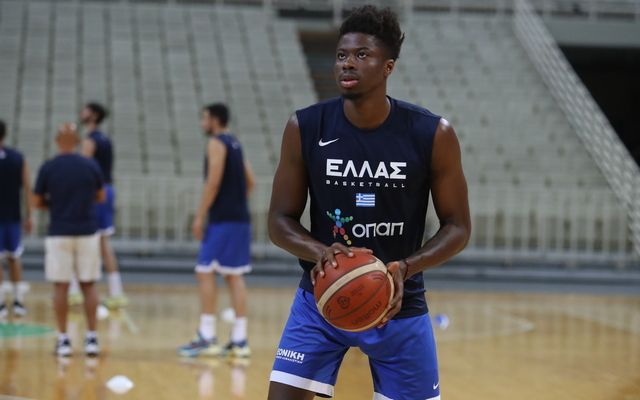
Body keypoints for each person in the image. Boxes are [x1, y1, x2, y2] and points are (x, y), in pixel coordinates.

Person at [267, 6, 471, 400]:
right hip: (321, 298)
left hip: (399, 303)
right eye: (342, 55)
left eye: (362, 55)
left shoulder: (431, 134)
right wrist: (321, 252)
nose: (347, 63)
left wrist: (406, 267)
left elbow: (458, 227)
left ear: (388, 66)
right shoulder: (305, 127)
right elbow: (279, 219)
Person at [178, 104, 255, 358]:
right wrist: (236, 200)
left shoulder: (216, 143)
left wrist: (200, 215)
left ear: (214, 119)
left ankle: (207, 335)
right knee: (234, 275)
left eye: (204, 118)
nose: (202, 123)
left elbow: (213, 181)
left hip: (223, 221)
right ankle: (239, 340)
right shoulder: (236, 143)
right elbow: (251, 182)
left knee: (204, 271)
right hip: (240, 218)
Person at [33, 123, 105, 357]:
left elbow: (36, 201)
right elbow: (101, 196)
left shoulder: (49, 167)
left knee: (61, 286)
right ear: (77, 141)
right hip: (87, 230)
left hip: (60, 231)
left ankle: (63, 339)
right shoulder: (90, 165)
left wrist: (55, 204)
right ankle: (92, 338)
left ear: (57, 141)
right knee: (89, 285)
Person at [68, 102, 127, 309]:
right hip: (107, 190)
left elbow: (82, 169)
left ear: (93, 115)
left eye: (85, 110)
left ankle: (75, 291)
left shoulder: (90, 140)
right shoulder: (105, 139)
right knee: (103, 243)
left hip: (95, 193)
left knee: (80, 240)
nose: (81, 112)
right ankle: (116, 292)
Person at [0, 119, 32, 319]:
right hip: (13, 217)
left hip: (7, 217)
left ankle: (1, 304)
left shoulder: (18, 158)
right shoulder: (18, 157)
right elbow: (28, 189)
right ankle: (18, 301)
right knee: (14, 257)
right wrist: (29, 215)